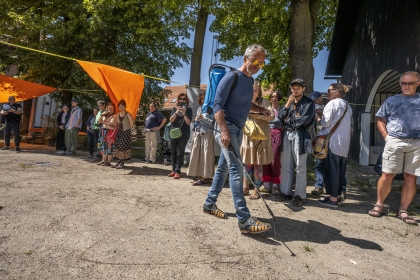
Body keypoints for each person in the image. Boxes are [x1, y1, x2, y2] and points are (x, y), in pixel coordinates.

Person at [203, 44, 272, 234]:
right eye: (255, 61)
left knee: (224, 168)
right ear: (245, 59)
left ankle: (209, 204)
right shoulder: (231, 77)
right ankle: (244, 219)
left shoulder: (249, 82)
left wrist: (260, 110)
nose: (258, 66)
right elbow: (218, 106)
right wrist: (224, 131)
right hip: (227, 128)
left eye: (262, 64)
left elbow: (245, 103)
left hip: (239, 129)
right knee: (236, 170)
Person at [368, 71, 420, 225]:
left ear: (418, 83)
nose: (406, 86)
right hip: (395, 141)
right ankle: (379, 204)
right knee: (387, 174)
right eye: (403, 83)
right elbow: (381, 120)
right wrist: (387, 138)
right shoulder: (391, 101)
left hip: (417, 143)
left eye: (410, 83)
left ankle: (403, 210)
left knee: (411, 177)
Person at [278, 78, 315, 207]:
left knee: (300, 167)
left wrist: (287, 121)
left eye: (298, 87)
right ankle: (285, 192)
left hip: (301, 134)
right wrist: (288, 103)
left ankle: (299, 195)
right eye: (293, 87)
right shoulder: (288, 102)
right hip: (287, 134)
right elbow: (280, 117)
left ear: (303, 88)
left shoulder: (309, 103)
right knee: (286, 165)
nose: (295, 89)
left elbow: (304, 120)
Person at [316, 84, 353, 208]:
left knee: (331, 170)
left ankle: (332, 200)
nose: (327, 93)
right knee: (340, 171)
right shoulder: (348, 106)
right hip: (344, 143)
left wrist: (318, 119)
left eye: (329, 90)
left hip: (332, 141)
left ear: (337, 92)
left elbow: (326, 123)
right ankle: (336, 196)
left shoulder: (332, 104)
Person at [241, 82, 274, 199]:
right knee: (247, 163)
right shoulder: (244, 101)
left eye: (256, 90)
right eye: (251, 90)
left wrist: (255, 115)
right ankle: (245, 187)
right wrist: (260, 113)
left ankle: (256, 190)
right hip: (248, 135)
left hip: (260, 135)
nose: (253, 92)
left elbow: (272, 116)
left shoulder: (264, 102)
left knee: (258, 164)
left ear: (259, 92)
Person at [187, 92, 215, 185]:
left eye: (205, 98)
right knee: (197, 156)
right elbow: (198, 120)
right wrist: (196, 119)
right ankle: (198, 176)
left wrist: (203, 118)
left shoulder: (212, 109)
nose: (203, 100)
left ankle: (204, 178)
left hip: (207, 134)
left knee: (205, 156)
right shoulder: (200, 108)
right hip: (198, 134)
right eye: (202, 98)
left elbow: (213, 123)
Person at [261, 90, 283, 195]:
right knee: (265, 159)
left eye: (275, 97)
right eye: (272, 97)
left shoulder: (282, 109)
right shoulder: (267, 109)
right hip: (267, 134)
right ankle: (266, 184)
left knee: (274, 160)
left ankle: (275, 185)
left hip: (278, 134)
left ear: (279, 98)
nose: (274, 99)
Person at [168, 93, 193, 179]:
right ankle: (173, 170)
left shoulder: (189, 110)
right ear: (178, 100)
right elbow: (171, 120)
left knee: (180, 152)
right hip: (174, 132)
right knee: (173, 151)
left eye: (184, 99)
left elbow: (188, 122)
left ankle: (177, 171)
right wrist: (177, 112)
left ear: (187, 100)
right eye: (180, 99)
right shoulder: (175, 109)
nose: (182, 101)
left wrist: (184, 113)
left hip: (184, 133)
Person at [309, 91, 325, 195]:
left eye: (316, 99)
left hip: (329, 139)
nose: (315, 102)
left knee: (330, 164)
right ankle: (319, 186)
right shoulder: (312, 108)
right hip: (318, 140)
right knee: (319, 163)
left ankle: (336, 189)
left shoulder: (328, 107)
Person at [113, 99, 134, 169]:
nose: (121, 108)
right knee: (118, 146)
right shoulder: (118, 114)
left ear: (125, 106)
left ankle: (121, 163)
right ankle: (119, 162)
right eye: (120, 106)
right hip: (119, 132)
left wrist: (126, 129)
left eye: (122, 106)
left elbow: (131, 124)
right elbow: (116, 123)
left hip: (125, 133)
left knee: (122, 146)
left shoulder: (128, 114)